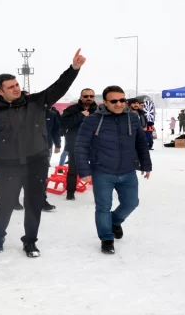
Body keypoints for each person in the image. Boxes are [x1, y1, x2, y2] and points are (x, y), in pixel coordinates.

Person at [0, 49, 86, 258]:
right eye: (10, 87)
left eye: (16, 85)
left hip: (36, 162)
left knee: (33, 204)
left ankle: (30, 241)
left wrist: (73, 69)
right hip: (8, 165)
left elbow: (59, 87)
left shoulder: (36, 102)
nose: (16, 89)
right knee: (5, 203)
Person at [75, 86, 152, 254]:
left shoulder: (133, 118)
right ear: (105, 102)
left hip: (128, 171)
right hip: (102, 172)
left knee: (131, 203)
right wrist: (84, 171)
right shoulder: (93, 120)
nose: (119, 104)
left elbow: (140, 143)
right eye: (114, 101)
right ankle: (107, 238)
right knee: (103, 207)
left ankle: (115, 222)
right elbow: (81, 146)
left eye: (122, 100)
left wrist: (146, 165)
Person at [60, 87, 97, 201]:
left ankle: (99, 193)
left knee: (97, 170)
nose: (88, 98)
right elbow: (63, 124)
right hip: (75, 144)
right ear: (81, 97)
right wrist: (80, 115)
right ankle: (70, 192)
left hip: (95, 145)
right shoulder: (72, 109)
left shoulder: (99, 110)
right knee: (73, 169)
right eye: (86, 96)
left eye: (91, 96)